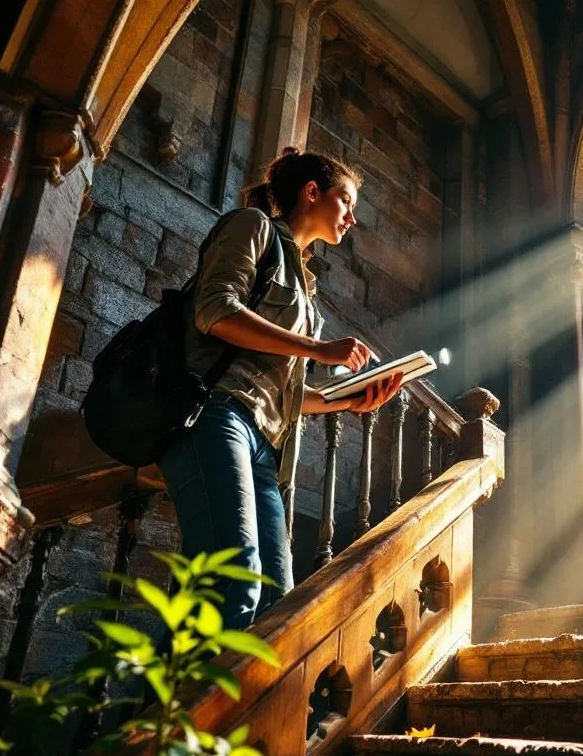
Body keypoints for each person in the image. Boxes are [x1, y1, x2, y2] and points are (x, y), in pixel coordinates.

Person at [159, 147, 404, 630]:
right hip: (215, 413)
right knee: (233, 583)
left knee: (276, 605)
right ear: (312, 192)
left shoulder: (306, 287)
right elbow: (215, 311)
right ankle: (181, 682)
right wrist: (319, 349)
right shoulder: (252, 226)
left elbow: (287, 395)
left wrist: (348, 401)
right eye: (346, 201)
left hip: (265, 444)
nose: (352, 218)